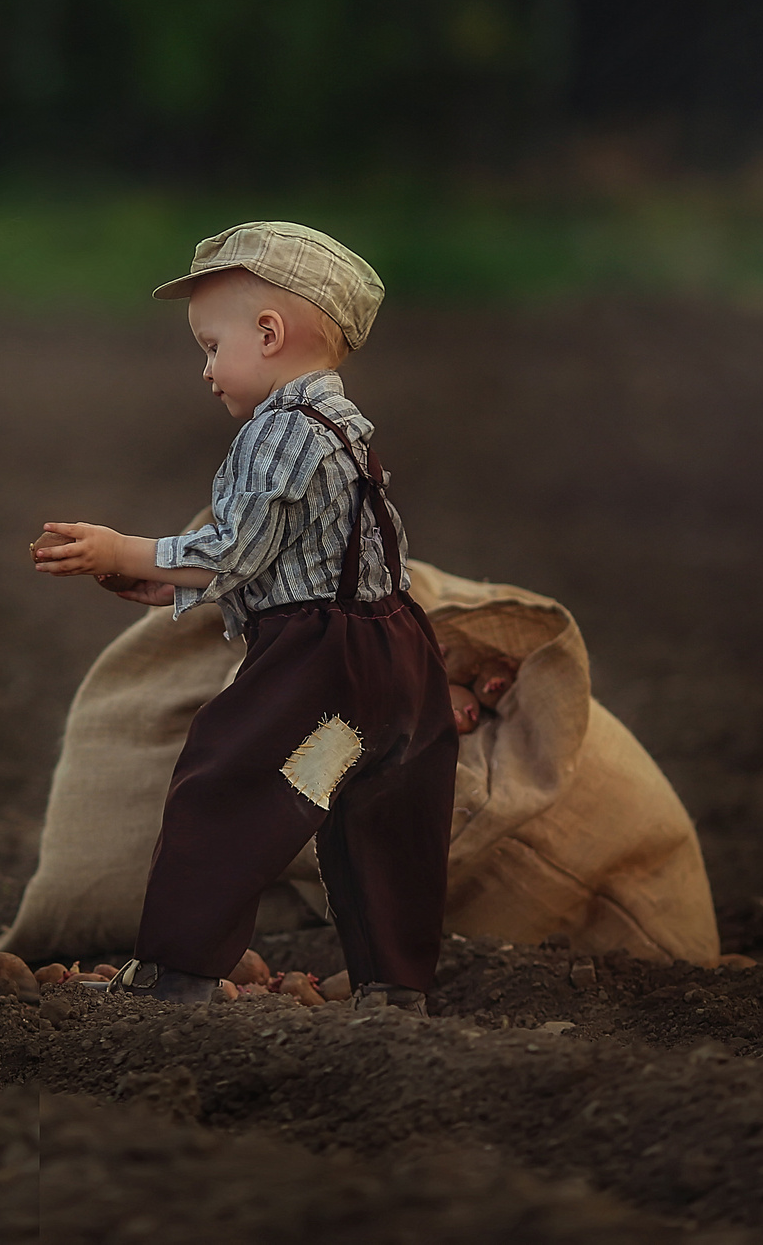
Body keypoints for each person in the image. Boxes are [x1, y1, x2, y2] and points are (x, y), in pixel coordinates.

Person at [31, 221, 457, 1013]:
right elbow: (296, 552)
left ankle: (179, 970)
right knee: (380, 809)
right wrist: (179, 586)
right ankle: (396, 986)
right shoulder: (344, 426)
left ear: (268, 333)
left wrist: (126, 551)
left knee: (229, 785)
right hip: (395, 653)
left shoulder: (278, 432)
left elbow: (232, 545)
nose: (204, 370)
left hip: (321, 663)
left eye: (209, 345)